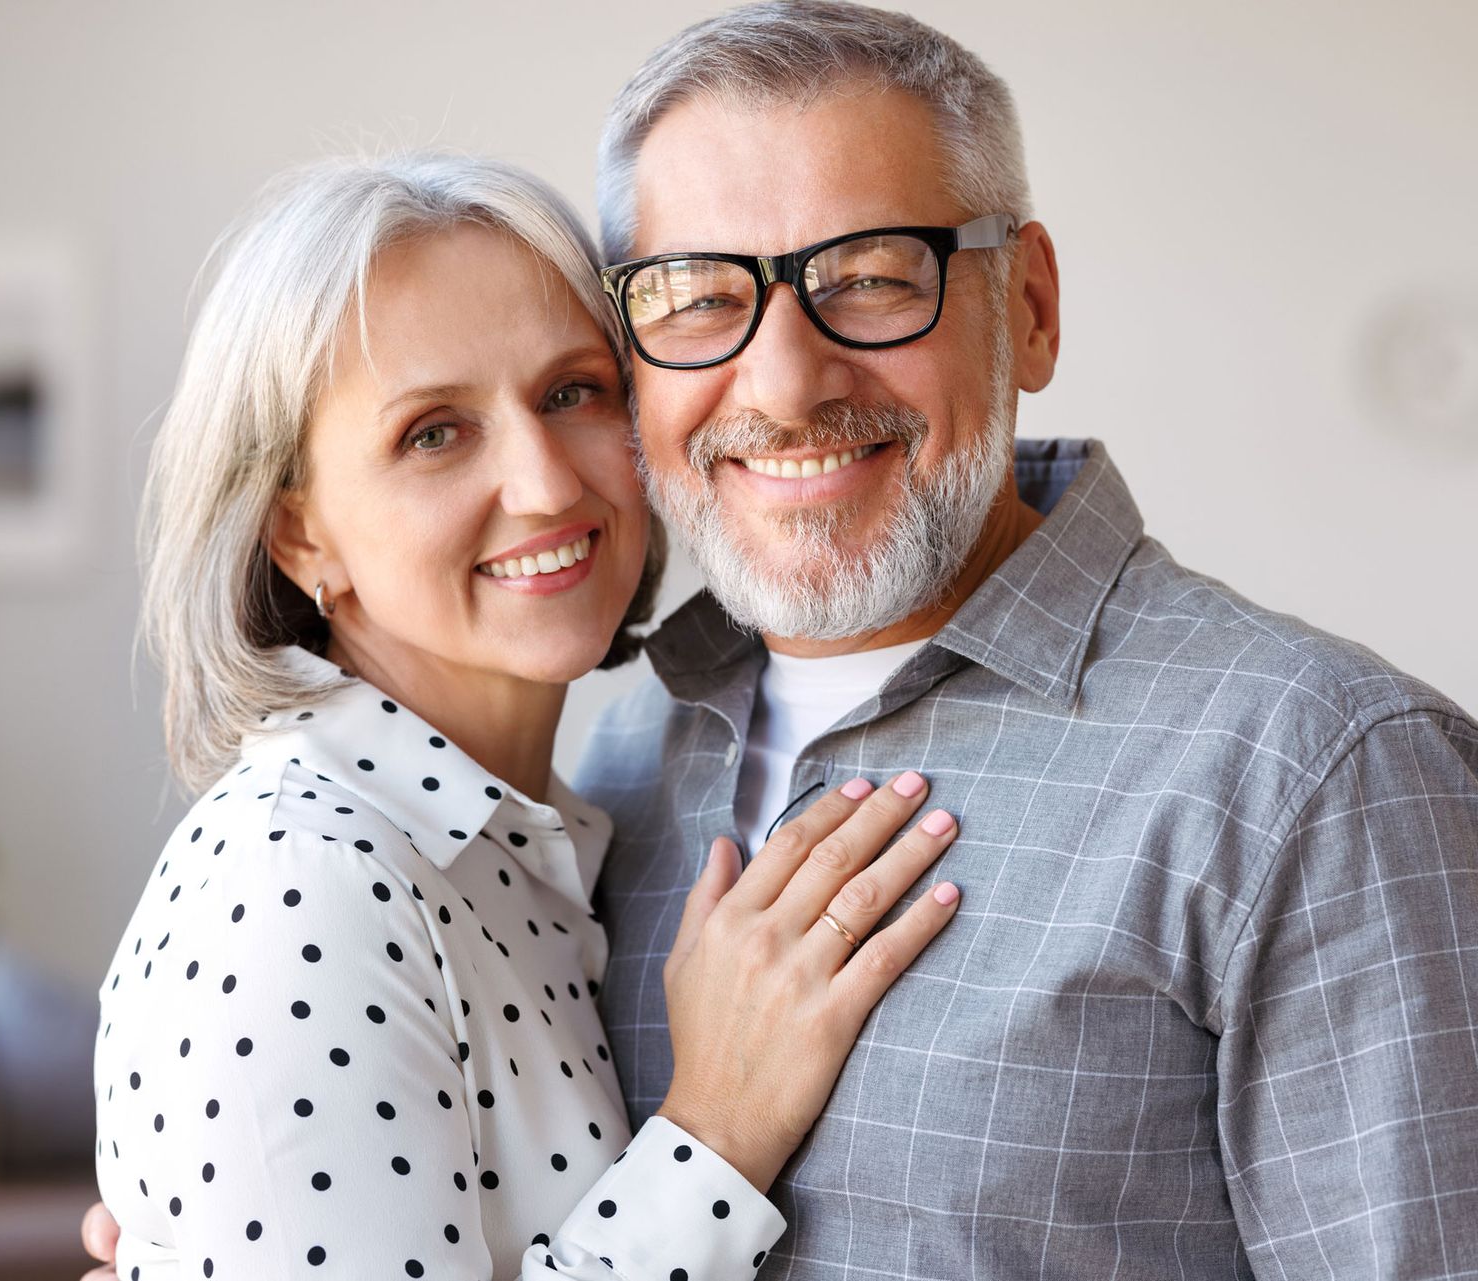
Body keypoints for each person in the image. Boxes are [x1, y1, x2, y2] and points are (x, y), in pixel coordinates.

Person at [87, 3, 1478, 1277]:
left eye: (873, 278)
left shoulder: (1323, 779)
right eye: (701, 297)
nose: (789, 380)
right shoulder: (613, 768)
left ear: (1031, 307)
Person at [92, 150, 969, 1280]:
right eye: (434, 433)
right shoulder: (294, 882)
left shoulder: (546, 834)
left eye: (572, 393)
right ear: (297, 531)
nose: (549, 484)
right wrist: (716, 1135)